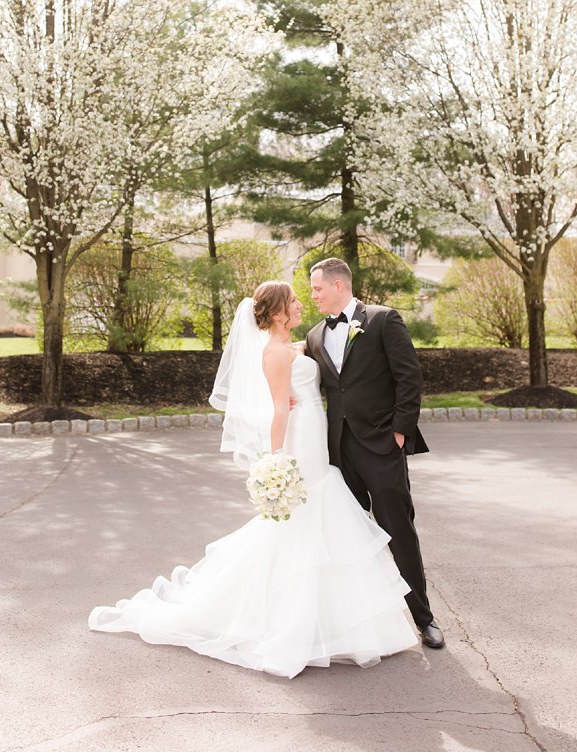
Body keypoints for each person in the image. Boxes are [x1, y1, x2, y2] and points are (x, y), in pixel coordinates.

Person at [89, 281, 418, 678]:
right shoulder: (275, 353)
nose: (302, 304)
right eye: (295, 300)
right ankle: (295, 625)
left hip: (319, 435)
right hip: (300, 439)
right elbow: (280, 409)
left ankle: (337, 623)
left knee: (324, 517)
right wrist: (276, 460)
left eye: (306, 295)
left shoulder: (297, 346)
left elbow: (315, 366)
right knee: (304, 521)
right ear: (279, 312)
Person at [305, 256, 443, 649]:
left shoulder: (383, 319)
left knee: (398, 531)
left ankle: (424, 618)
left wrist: (399, 432)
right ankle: (364, 625)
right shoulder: (314, 336)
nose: (312, 296)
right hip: (338, 453)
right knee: (349, 539)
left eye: (317, 289)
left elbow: (409, 377)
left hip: (382, 445)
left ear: (338, 285)